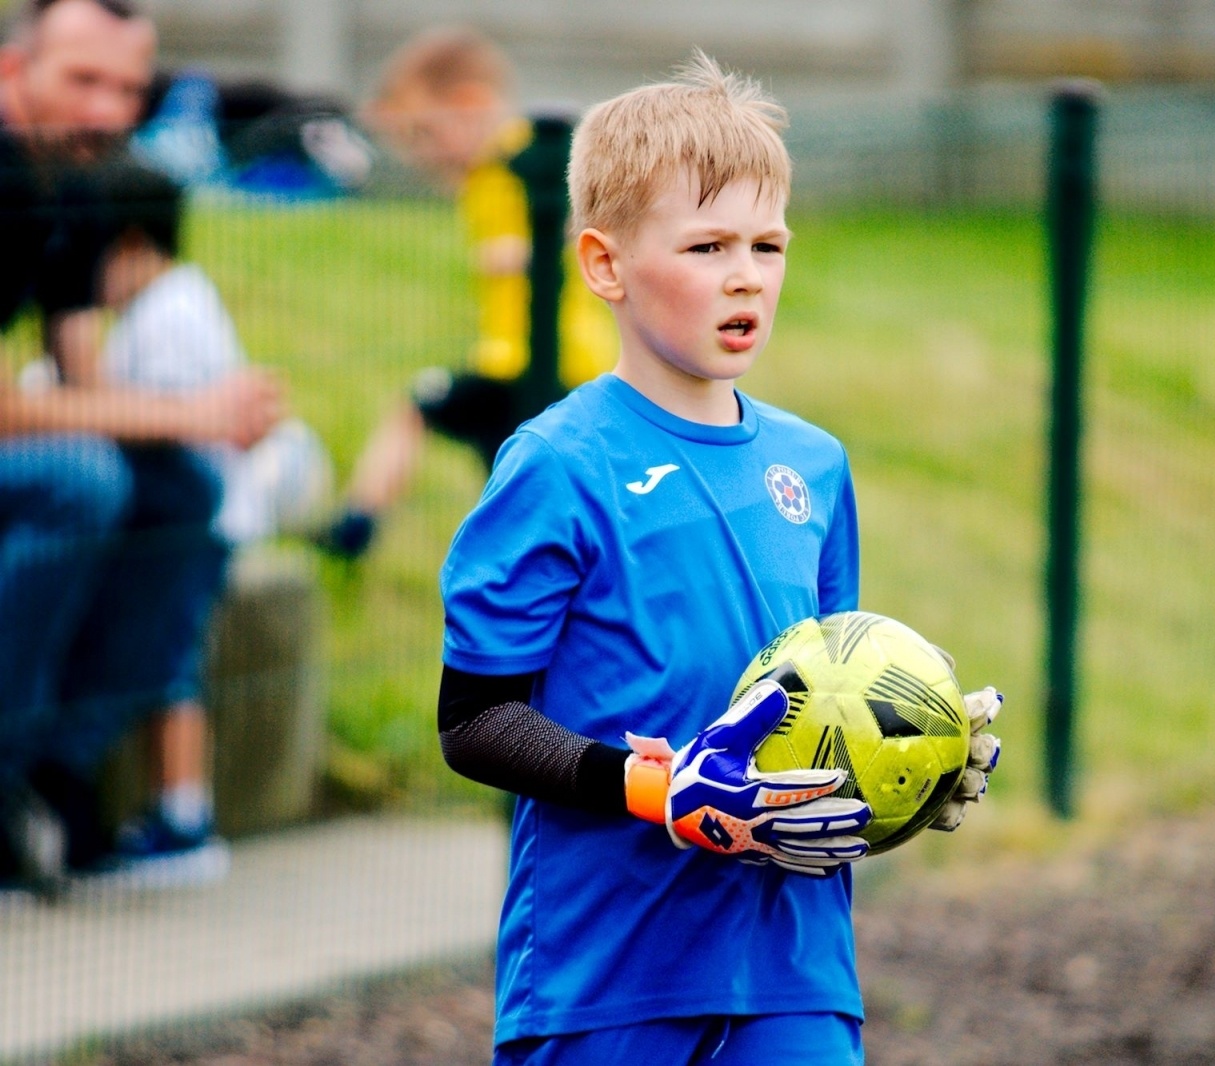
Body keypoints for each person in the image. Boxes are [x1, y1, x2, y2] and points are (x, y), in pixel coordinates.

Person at [436, 53, 1002, 1065]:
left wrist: (911, 759)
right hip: (605, 975)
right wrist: (659, 790)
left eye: (766, 243)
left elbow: (824, 691)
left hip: (796, 967)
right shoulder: (557, 463)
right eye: (705, 245)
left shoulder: (814, 466)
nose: (745, 273)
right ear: (604, 265)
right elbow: (473, 722)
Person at [0, 0, 279, 894]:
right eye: (82, 81)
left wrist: (209, 418)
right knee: (83, 479)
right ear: (15, 71)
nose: (106, 112)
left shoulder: (79, 184)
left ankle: (58, 760)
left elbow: (80, 387)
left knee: (182, 489)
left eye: (127, 88)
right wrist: (193, 411)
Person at [318, 26, 615, 560]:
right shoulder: (481, 173)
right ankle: (358, 524)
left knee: (440, 426)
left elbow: (593, 217)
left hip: (543, 363)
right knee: (513, 491)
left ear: (470, 106)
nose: (419, 153)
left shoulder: (525, 154)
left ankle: (356, 525)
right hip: (510, 362)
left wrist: (531, 248)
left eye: (426, 134)